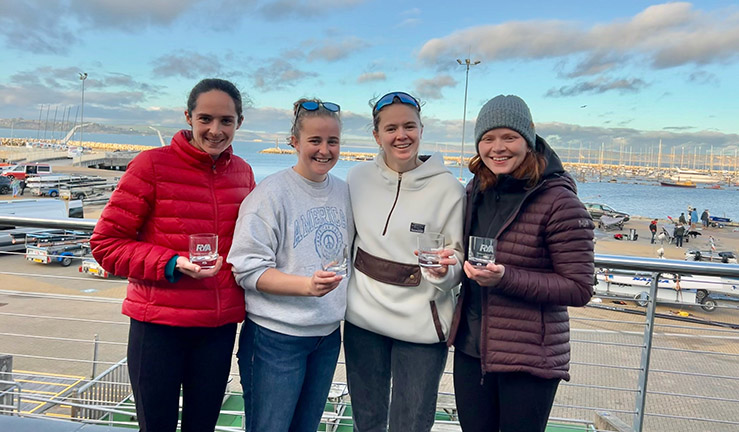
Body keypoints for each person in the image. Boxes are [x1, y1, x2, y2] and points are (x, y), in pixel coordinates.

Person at [90, 78, 256, 432]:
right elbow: (106, 244)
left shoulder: (243, 172)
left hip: (217, 327)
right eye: (205, 119)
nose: (215, 130)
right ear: (188, 117)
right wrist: (172, 262)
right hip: (158, 327)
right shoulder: (151, 165)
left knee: (203, 427)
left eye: (226, 121)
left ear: (239, 123)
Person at [448, 95, 594, 432]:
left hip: (529, 358)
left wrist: (505, 278)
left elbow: (580, 287)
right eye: (488, 138)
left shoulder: (560, 201)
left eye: (509, 137)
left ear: (528, 140)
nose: (497, 148)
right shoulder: (476, 190)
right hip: (472, 350)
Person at [227, 98, 352, 432]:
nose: (324, 150)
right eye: (315, 140)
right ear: (294, 141)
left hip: (327, 336)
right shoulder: (270, 194)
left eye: (332, 141)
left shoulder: (344, 192)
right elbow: (247, 268)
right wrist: (306, 287)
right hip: (275, 338)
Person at [343, 91, 465, 431]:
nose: (401, 135)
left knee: (411, 423)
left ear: (421, 130)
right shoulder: (356, 178)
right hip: (362, 321)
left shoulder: (450, 190)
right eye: (391, 128)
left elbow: (456, 259)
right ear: (376, 135)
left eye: (409, 126)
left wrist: (444, 270)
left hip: (421, 327)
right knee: (366, 421)